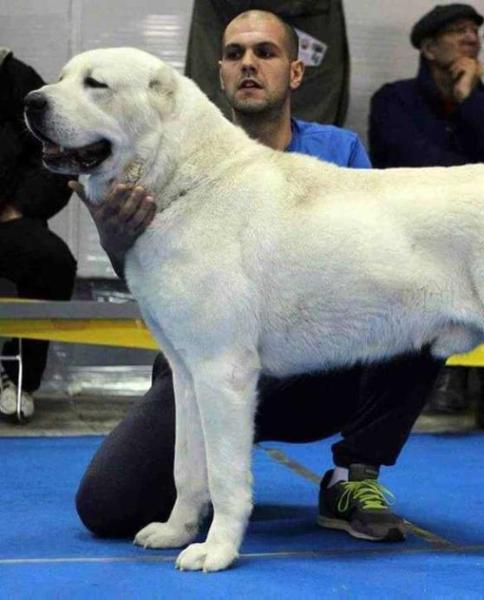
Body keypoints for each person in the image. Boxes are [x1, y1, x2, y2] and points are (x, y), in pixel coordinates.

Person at [74, 10, 437, 544]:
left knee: (425, 292)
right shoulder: (162, 163)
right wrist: (116, 240)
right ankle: (203, 482)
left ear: (294, 72)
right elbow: (158, 298)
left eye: (265, 53)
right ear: (218, 74)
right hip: (204, 365)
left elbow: (381, 265)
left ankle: (353, 474)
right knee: (106, 508)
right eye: (234, 54)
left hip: (320, 372)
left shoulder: (339, 152)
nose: (248, 64)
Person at [368, 3, 484, 432]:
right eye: (457, 31)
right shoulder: (393, 100)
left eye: (473, 32)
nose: (469, 38)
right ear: (428, 47)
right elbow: (407, 162)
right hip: (416, 238)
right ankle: (443, 378)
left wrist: (469, 101)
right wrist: (480, 184)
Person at [0, 48, 77, 422]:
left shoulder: (16, 78)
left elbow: (54, 152)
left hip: (7, 219)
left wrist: (19, 207)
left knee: (53, 262)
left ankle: (19, 379)